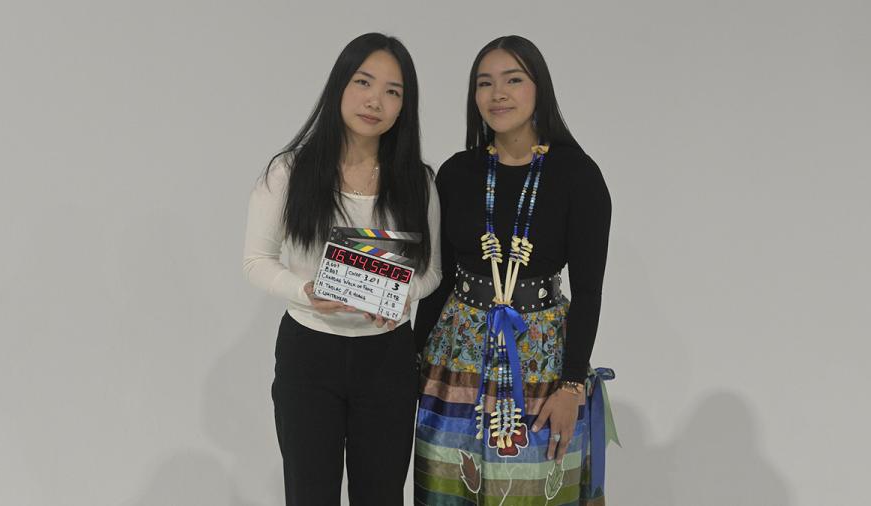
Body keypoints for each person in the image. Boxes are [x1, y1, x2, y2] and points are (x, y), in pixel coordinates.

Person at [413, 35, 616, 505]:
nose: (497, 94)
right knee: (447, 486)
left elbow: (589, 291)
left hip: (541, 356)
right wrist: (410, 362)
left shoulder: (578, 175)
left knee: (533, 488)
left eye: (513, 80)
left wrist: (570, 386)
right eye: (485, 84)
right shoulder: (458, 172)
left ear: (538, 89)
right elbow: (438, 278)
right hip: (455, 357)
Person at [243, 33, 441, 506]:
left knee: (382, 496)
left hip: (387, 357)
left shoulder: (418, 180)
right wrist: (304, 289)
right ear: (339, 87)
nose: (376, 100)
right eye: (364, 82)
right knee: (310, 495)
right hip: (308, 354)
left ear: (403, 108)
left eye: (394, 91)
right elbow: (256, 261)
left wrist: (402, 295)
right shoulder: (289, 173)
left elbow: (431, 271)